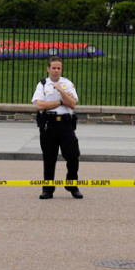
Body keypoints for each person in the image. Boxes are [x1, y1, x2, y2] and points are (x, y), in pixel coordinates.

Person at [32, 56, 83, 200]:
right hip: (49, 124)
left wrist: (62, 91)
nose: (56, 71)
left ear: (61, 69)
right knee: (49, 158)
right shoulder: (42, 85)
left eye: (58, 68)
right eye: (53, 68)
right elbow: (40, 105)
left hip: (66, 124)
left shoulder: (67, 84)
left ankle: (71, 184)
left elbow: (72, 104)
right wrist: (60, 101)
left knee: (73, 155)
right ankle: (48, 189)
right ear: (48, 69)